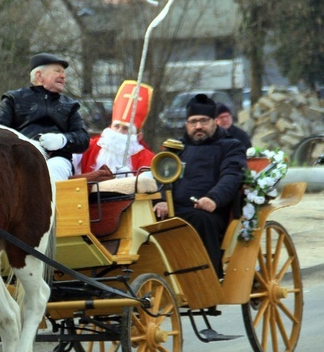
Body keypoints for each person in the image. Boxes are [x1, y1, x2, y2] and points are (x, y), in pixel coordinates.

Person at [153, 94, 247, 278]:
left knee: (200, 219)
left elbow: (232, 175)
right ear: (186, 124)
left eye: (204, 121)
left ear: (214, 122)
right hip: (174, 208)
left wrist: (213, 198)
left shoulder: (231, 146)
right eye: (193, 122)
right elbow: (160, 176)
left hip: (211, 211)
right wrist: (162, 199)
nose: (198, 126)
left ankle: (208, 279)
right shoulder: (175, 148)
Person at [0, 52, 89, 181]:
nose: (63, 76)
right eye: (57, 71)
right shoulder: (14, 99)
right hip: (21, 159)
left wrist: (62, 140)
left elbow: (83, 138)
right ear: (39, 75)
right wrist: (24, 145)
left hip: (57, 159)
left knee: (52, 170)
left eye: (64, 73)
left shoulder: (70, 105)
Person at [74, 81, 155, 176]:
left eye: (126, 129)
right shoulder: (90, 146)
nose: (119, 132)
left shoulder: (148, 159)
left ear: (139, 136)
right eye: (116, 126)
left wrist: (129, 178)